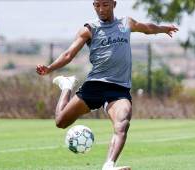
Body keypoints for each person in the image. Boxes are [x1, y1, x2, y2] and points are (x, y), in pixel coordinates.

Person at [36, 0, 178, 169]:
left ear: (114, 4)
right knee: (61, 122)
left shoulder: (126, 23)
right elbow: (68, 54)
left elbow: (147, 28)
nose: (101, 9)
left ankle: (109, 165)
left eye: (105, 5)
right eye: (97, 5)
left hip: (119, 89)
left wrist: (164, 29)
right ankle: (66, 86)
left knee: (123, 122)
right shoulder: (89, 29)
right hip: (95, 85)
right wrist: (50, 68)